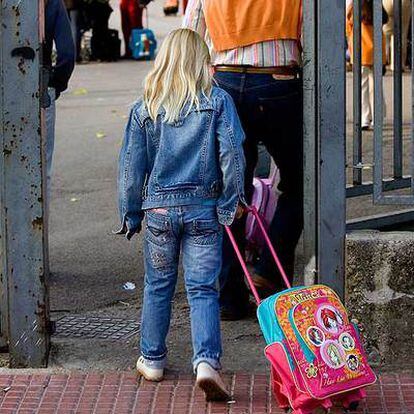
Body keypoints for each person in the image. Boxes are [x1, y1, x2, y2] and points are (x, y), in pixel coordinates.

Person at [117, 29, 246, 401]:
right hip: (204, 209)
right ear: (200, 61)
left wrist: (130, 214)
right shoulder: (218, 102)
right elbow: (232, 156)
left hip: (158, 209)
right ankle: (206, 362)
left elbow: (130, 169)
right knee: (203, 287)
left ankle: (152, 359)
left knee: (158, 284)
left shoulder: (145, 107)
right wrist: (229, 203)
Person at [184, 0, 304, 320]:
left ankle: (229, 297)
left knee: (231, 190)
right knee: (303, 182)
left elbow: (191, 33)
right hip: (279, 81)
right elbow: (321, 34)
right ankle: (268, 268)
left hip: (225, 81)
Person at [43, 0, 75, 199]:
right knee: (41, 169)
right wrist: (55, 86)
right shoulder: (51, 2)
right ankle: (35, 228)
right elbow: (67, 54)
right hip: (41, 90)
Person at [347, 0, 388, 130]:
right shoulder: (376, 7)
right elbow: (385, 20)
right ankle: (378, 118)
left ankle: (364, 118)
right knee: (376, 87)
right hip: (375, 53)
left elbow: (348, 27)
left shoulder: (354, 7)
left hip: (361, 53)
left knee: (362, 87)